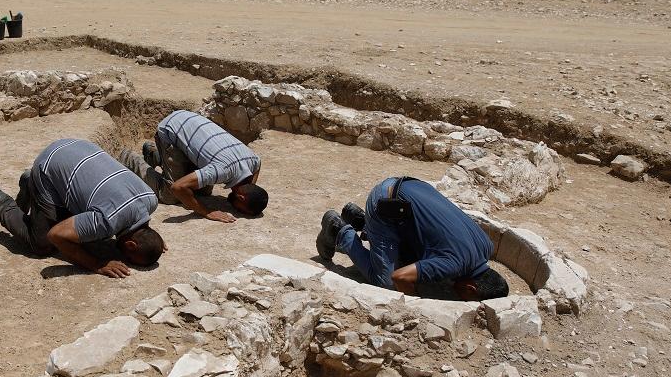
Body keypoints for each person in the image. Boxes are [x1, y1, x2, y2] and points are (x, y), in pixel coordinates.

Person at [0, 139, 165, 278]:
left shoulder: (150, 200)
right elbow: (56, 235)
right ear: (131, 245)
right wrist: (97, 264)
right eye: (130, 257)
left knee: (83, 231)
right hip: (49, 166)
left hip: (76, 147)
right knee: (41, 244)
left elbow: (142, 230)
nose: (124, 260)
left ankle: (31, 184)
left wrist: (152, 242)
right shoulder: (106, 221)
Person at [315, 176, 509, 301]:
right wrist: (415, 301)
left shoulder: (486, 246)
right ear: (471, 288)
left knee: (409, 261)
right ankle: (340, 231)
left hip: (409, 188)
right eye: (467, 299)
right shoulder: (454, 263)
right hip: (386, 202)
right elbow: (398, 277)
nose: (462, 299)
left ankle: (362, 222)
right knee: (385, 282)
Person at [119, 110, 268, 223]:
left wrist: (250, 188)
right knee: (170, 196)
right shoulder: (222, 170)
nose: (236, 210)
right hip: (170, 130)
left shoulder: (253, 161)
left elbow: (258, 164)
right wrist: (206, 212)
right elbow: (177, 187)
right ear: (241, 197)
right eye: (240, 209)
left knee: (202, 191)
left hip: (189, 121)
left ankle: (157, 156)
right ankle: (130, 158)